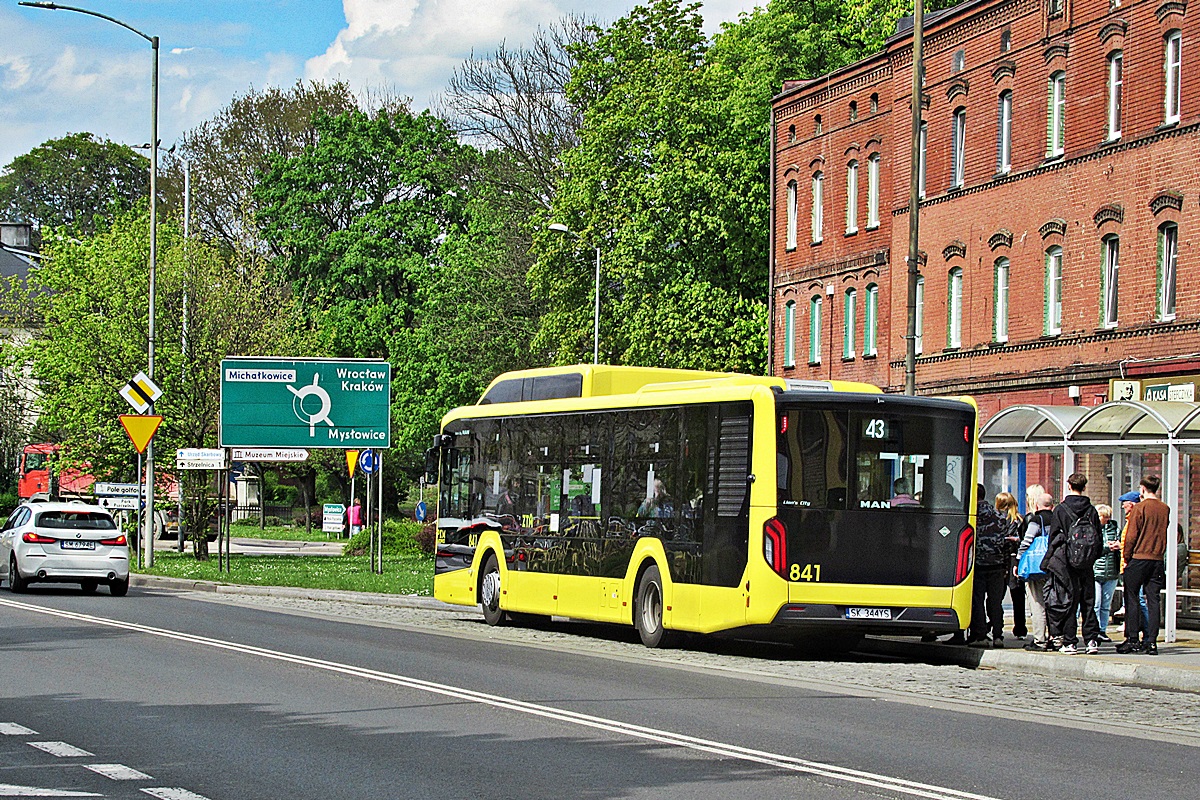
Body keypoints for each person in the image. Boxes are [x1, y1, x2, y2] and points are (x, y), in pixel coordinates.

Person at [1042, 473, 1103, 655]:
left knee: (1069, 600)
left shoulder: (1061, 510)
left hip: (1067, 562)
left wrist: (1049, 560)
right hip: (1087, 562)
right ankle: (1091, 640)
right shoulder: (1091, 510)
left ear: (1069, 485)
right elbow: (1098, 537)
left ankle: (1070, 641)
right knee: (1089, 601)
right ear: (1084, 487)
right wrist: (1091, 557)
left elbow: (1054, 537)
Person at [1117, 475, 1170, 655]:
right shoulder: (1165, 509)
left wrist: (1126, 556)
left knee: (1131, 597)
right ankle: (1151, 641)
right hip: (1157, 559)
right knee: (1153, 599)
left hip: (1139, 557)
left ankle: (1132, 639)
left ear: (1142, 489)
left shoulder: (1140, 508)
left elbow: (1132, 535)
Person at [969, 486, 1013, 648]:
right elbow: (1006, 543)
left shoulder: (971, 515)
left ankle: (980, 635)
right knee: (995, 603)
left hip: (977, 566)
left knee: (977, 601)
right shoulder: (999, 516)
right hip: (997, 565)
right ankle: (998, 635)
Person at [1018, 492, 1055, 650]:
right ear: (1052, 506)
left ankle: (1040, 639)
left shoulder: (1036, 519)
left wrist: (1020, 558)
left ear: (1037, 506)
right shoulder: (1058, 519)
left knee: (1037, 603)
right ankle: (1056, 638)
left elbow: (1027, 540)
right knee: (1054, 603)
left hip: (1036, 566)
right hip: (1054, 565)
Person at [995, 491, 1025, 639]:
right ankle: (1020, 628)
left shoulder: (997, 519)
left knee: (997, 596)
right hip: (1015, 559)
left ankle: (995, 627)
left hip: (1001, 559)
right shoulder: (1019, 520)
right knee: (1018, 596)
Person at [1093, 502, 1121, 642]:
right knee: (1096, 603)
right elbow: (1093, 548)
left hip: (1111, 571)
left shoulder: (1115, 529)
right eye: (1104, 517)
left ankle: (1102, 630)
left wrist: (1117, 546)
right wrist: (1107, 547)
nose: (1107, 519)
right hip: (1095, 571)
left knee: (1105, 605)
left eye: (1108, 516)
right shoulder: (1092, 529)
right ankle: (1095, 629)